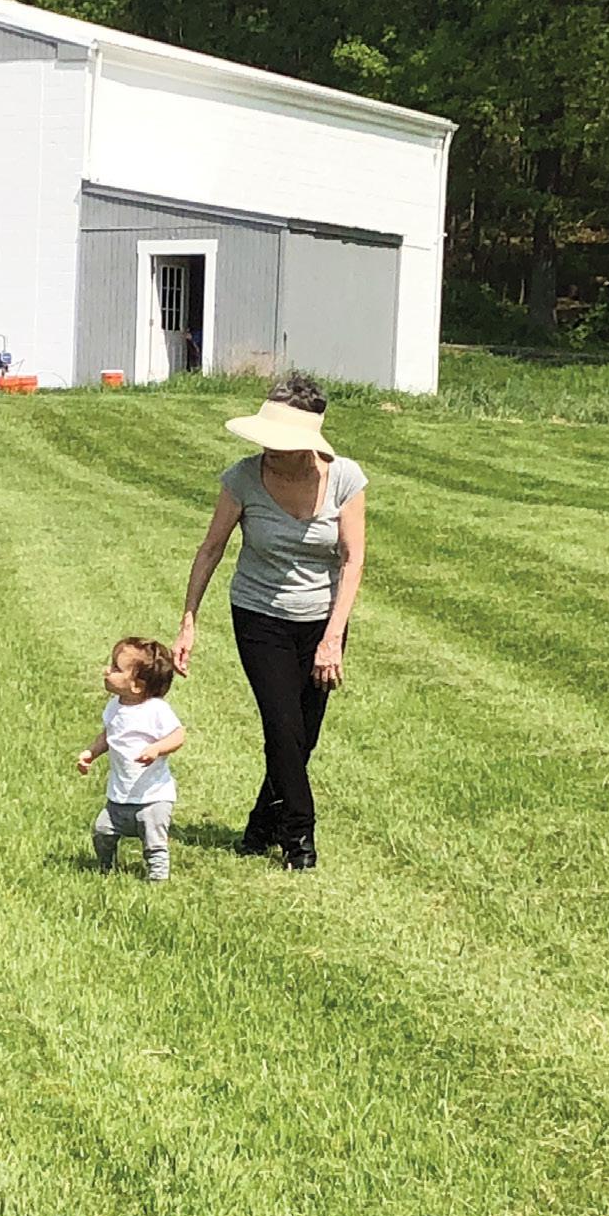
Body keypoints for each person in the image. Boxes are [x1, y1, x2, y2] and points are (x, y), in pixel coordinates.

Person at [173, 372, 366, 871]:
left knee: (303, 736)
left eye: (281, 443)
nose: (269, 450)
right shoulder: (242, 478)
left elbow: (352, 560)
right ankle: (299, 838)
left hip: (324, 621)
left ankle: (262, 824)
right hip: (260, 616)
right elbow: (211, 548)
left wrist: (332, 639)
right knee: (282, 728)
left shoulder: (345, 478)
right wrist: (189, 620)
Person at [76, 636, 186, 882]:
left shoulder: (155, 710)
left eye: (116, 668)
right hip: (119, 795)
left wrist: (157, 748)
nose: (107, 671)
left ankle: (157, 879)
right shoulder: (115, 706)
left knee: (153, 842)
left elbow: (178, 736)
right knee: (102, 831)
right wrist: (91, 753)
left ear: (137, 685)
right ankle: (106, 867)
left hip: (153, 797)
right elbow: (109, 735)